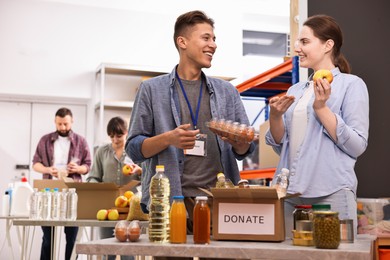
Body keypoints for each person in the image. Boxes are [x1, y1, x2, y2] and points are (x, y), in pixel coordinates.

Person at [125, 10, 255, 231]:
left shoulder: (227, 92)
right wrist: (168, 139)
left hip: (218, 200)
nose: (213, 45)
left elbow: (245, 150)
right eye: (206, 38)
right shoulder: (151, 90)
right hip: (167, 201)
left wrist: (238, 140)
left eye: (214, 39)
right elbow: (134, 149)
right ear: (182, 42)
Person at [265, 14, 369, 236]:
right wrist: (275, 117)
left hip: (331, 193)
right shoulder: (296, 90)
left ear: (328, 45)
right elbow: (282, 145)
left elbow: (357, 146)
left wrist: (321, 108)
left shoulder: (352, 85)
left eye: (304, 42)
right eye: (297, 42)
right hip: (290, 193)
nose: (297, 48)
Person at [32, 107, 92, 260]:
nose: (63, 127)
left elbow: (88, 166)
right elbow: (35, 164)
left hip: (73, 194)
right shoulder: (45, 140)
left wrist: (78, 168)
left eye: (66, 124)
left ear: (72, 121)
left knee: (71, 238)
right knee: (48, 239)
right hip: (49, 193)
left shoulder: (81, 141)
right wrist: (47, 169)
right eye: (59, 124)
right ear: (55, 122)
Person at [87, 116, 141, 260]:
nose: (115, 140)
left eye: (119, 136)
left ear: (127, 133)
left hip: (129, 210)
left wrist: (139, 170)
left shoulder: (135, 152)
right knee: (107, 250)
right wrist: (97, 189)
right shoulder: (102, 152)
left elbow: (146, 177)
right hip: (107, 208)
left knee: (127, 253)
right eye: (112, 137)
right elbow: (93, 176)